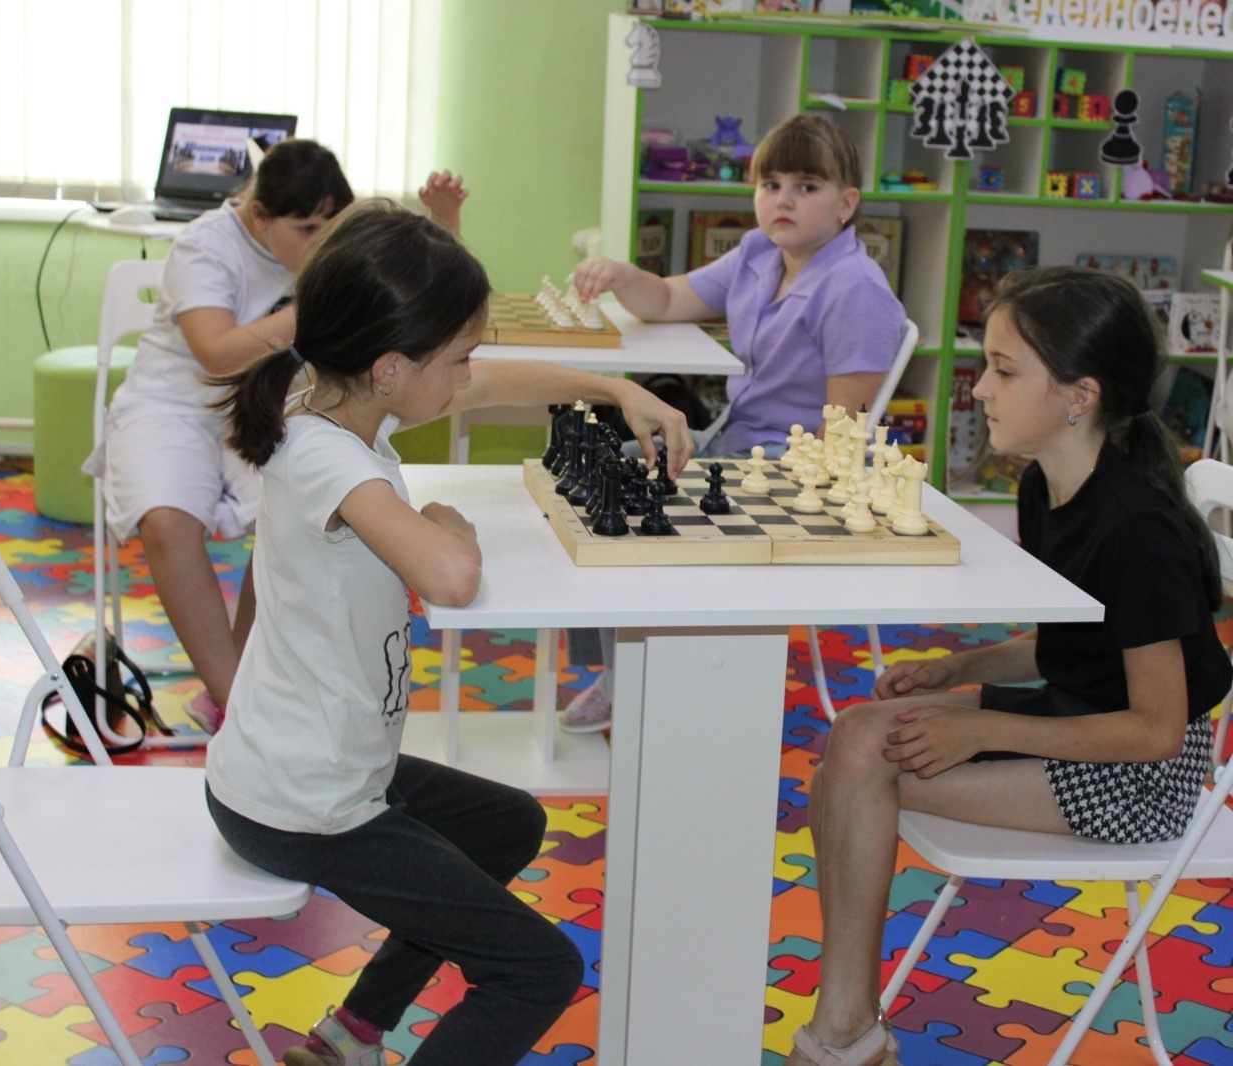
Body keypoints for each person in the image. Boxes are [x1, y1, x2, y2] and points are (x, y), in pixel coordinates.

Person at [203, 199, 692, 1066]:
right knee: (540, 969)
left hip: (316, 763)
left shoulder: (337, 401)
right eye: (457, 356)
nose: (469, 373)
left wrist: (614, 388)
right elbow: (450, 577)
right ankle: (361, 1034)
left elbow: (492, 384)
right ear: (392, 367)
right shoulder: (325, 455)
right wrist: (444, 521)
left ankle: (352, 1033)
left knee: (507, 824)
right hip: (305, 802)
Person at [787, 266, 1231, 1066]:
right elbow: (1079, 642)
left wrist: (981, 726)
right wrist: (959, 667)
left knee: (853, 772)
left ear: (1079, 395)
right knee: (855, 735)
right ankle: (848, 1022)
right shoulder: (1044, 486)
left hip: (1142, 780)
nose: (981, 390)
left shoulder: (1138, 533)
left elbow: (1158, 730)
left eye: (1004, 370)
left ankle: (845, 1028)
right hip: (1075, 719)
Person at [98, 136, 468, 732]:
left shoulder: (323, 251)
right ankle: (236, 705)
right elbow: (216, 355)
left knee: (289, 511)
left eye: (329, 227)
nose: (318, 242)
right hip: (173, 405)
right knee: (167, 523)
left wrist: (444, 223)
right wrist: (323, 302)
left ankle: (246, 682)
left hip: (268, 403)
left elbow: (425, 298)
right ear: (258, 215)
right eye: (305, 229)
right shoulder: (203, 246)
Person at [562, 114, 906, 733]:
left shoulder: (855, 288)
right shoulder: (759, 254)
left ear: (847, 204)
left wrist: (754, 488)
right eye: (770, 184)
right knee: (594, 475)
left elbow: (841, 437)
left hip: (790, 469)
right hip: (734, 438)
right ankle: (619, 669)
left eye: (806, 186)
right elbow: (668, 300)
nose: (783, 200)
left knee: (636, 500)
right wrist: (621, 275)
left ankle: (645, 677)